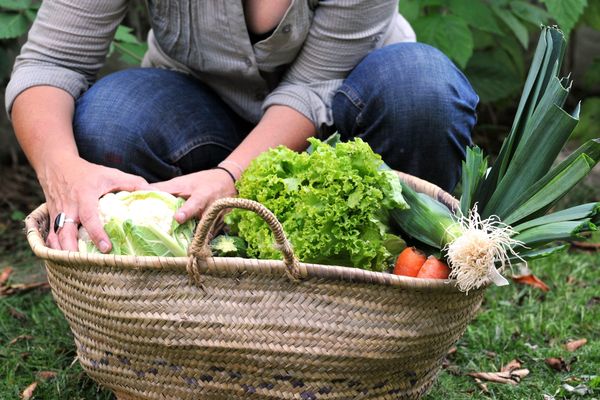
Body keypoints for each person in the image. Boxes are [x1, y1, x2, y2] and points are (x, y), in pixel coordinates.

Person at [6, 0, 478, 254]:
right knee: (112, 120)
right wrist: (62, 169)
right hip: (203, 120)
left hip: (347, 117)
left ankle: (404, 280)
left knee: (423, 88)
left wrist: (233, 176)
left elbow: (310, 88)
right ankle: (193, 278)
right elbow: (50, 60)